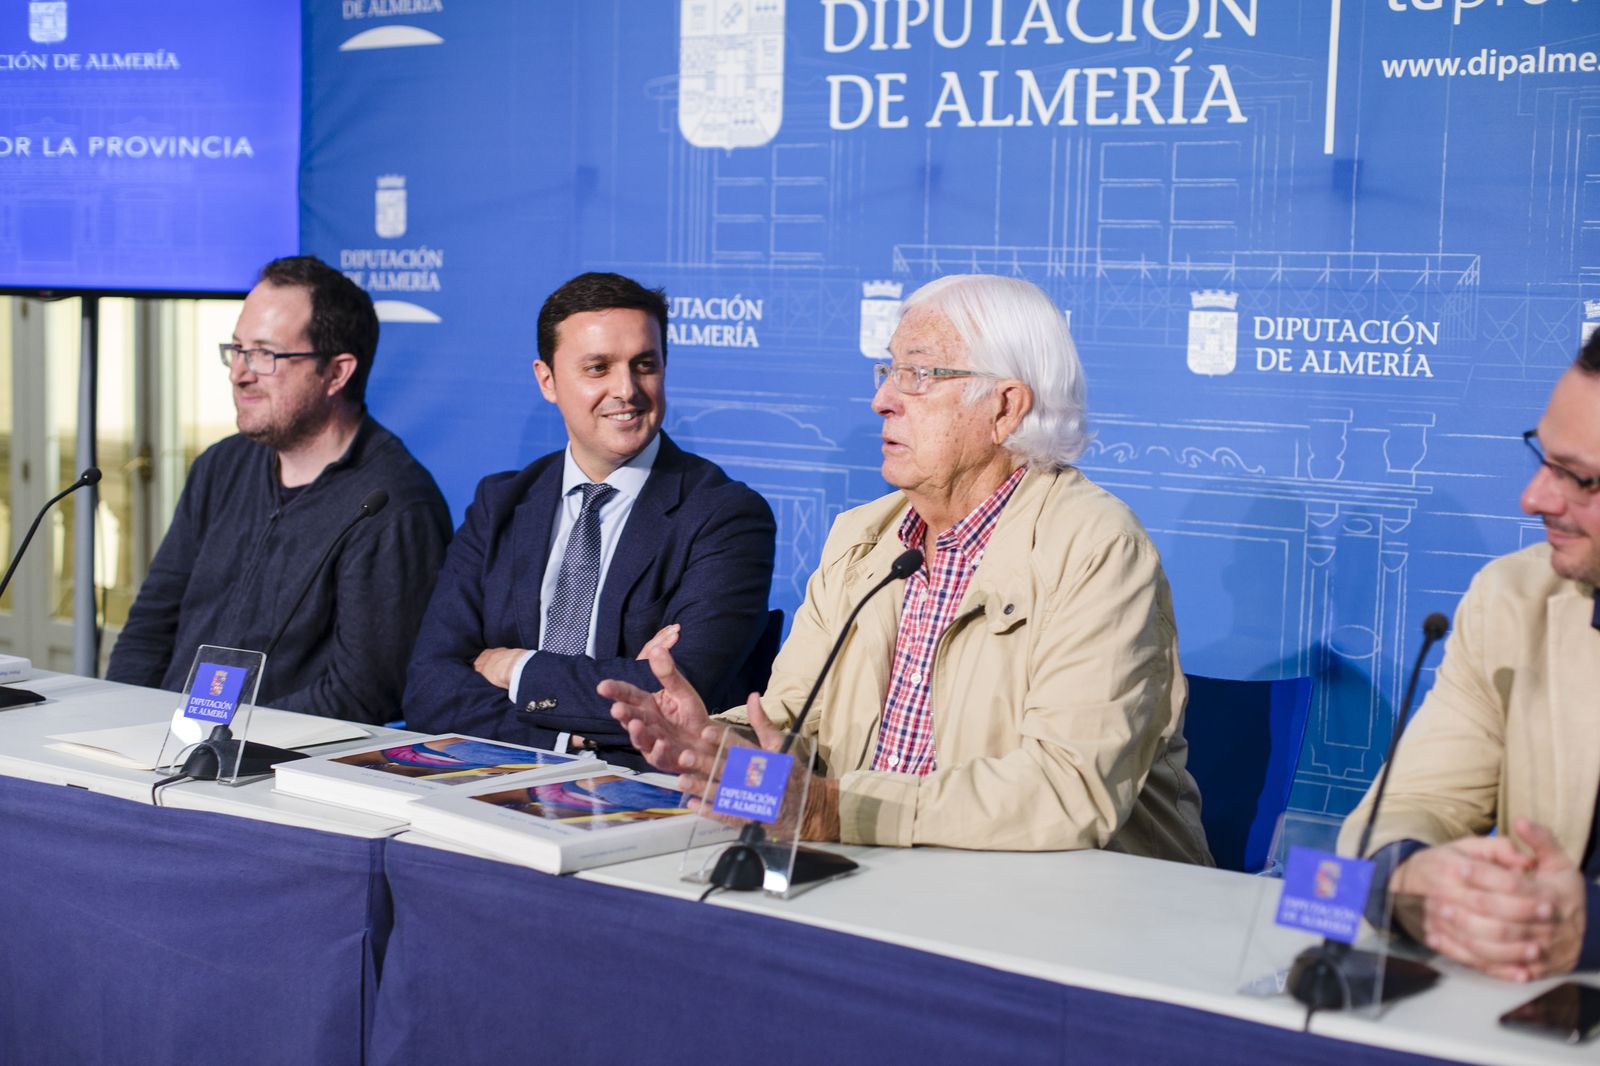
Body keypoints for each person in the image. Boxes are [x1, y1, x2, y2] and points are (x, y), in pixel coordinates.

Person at [603, 274, 1211, 859]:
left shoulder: (1097, 549)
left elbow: (1067, 790)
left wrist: (836, 811)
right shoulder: (862, 539)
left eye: (917, 375)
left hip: (1060, 898)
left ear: (1005, 408)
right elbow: (795, 730)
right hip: (877, 871)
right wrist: (716, 744)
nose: (881, 401)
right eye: (889, 371)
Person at [403, 272, 776, 768]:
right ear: (547, 380)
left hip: (648, 791)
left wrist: (515, 667)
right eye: (598, 368)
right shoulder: (500, 503)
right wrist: (570, 738)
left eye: (645, 365)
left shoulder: (725, 515)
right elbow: (429, 687)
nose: (627, 389)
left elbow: (675, 696)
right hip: (489, 779)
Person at [1338, 332, 1600, 980]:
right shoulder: (1514, 599)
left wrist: (1589, 929)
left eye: (1581, 478)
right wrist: (1413, 876)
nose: (1534, 498)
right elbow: (1405, 807)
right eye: (1543, 458)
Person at [107, 255, 453, 724]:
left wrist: (221, 733)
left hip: (275, 760)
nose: (239, 373)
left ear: (337, 373)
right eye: (237, 349)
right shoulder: (221, 466)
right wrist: (122, 722)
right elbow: (151, 627)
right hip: (163, 741)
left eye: (265, 354)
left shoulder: (393, 505)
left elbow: (363, 693)